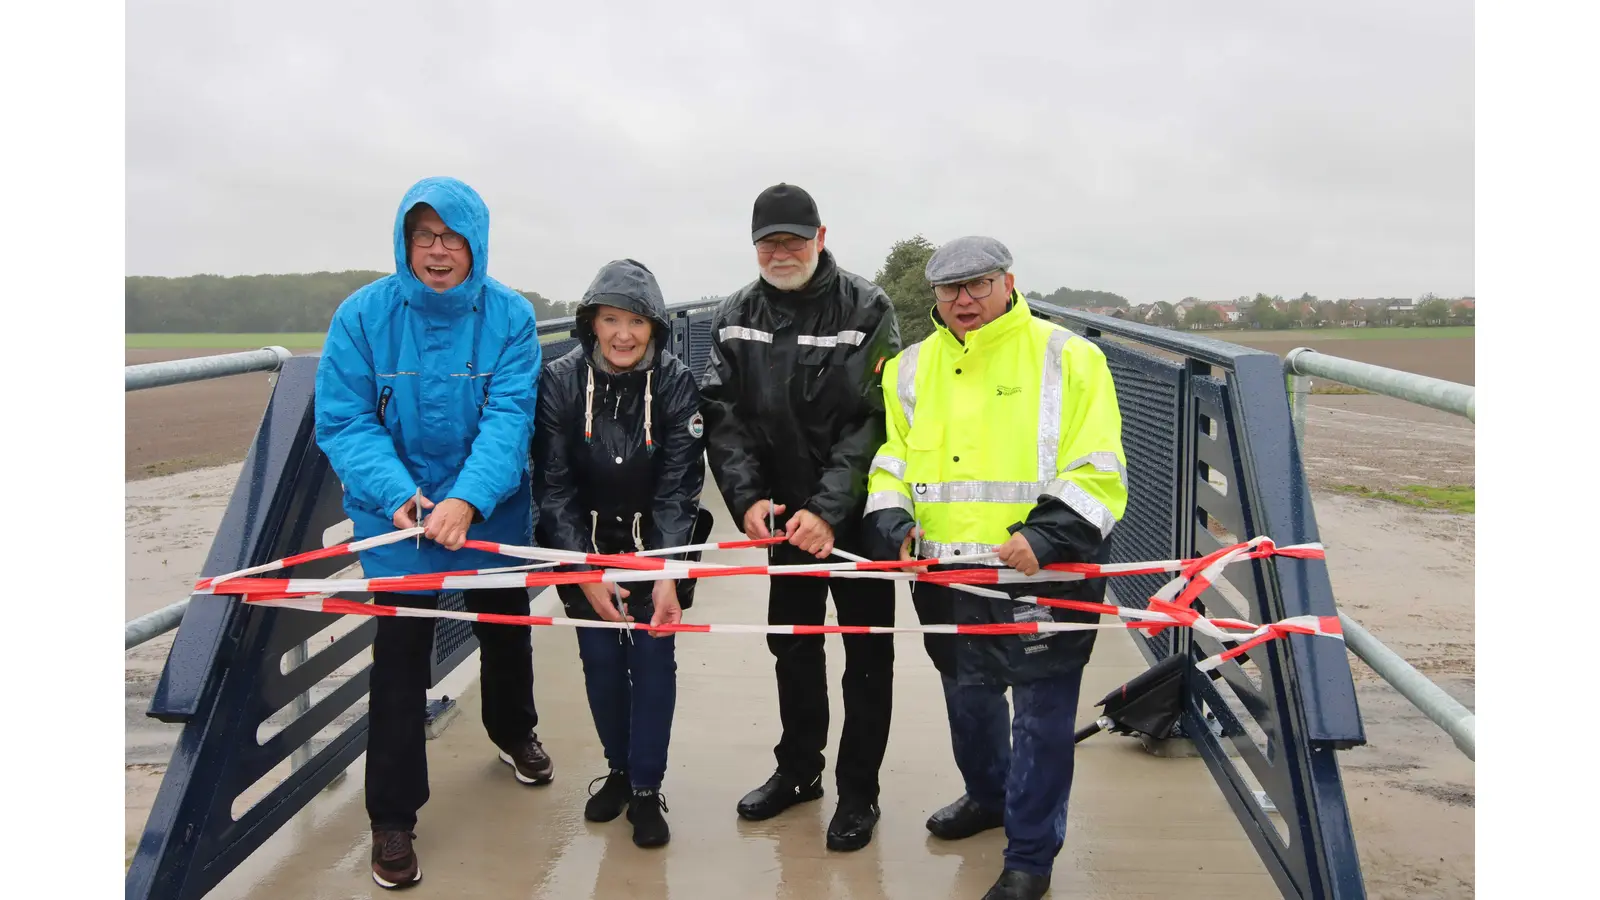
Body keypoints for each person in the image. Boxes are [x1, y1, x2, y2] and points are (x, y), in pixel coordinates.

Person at [863, 236, 1128, 900]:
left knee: (1040, 718)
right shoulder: (909, 369)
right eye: (950, 290)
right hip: (949, 577)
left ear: (1009, 282)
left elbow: (1099, 469)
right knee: (969, 702)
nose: (964, 301)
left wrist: (1047, 534)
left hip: (1043, 573)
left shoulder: (1070, 356)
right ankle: (987, 797)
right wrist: (892, 524)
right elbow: (893, 459)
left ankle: (1030, 859)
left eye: (978, 285)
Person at [314, 176, 551, 890]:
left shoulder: (510, 317)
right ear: (404, 242)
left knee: (507, 626)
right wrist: (403, 500)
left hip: (491, 507)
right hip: (399, 513)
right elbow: (345, 419)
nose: (438, 251)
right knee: (400, 654)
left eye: (451, 237)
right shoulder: (361, 317)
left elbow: (511, 418)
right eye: (425, 237)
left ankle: (513, 732)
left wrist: (470, 501)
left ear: (475, 243)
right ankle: (392, 817)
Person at [699, 183, 902, 852]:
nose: (780, 252)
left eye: (793, 238)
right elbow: (723, 420)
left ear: (821, 236)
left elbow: (876, 418)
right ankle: (798, 770)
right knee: (792, 643)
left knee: (867, 654)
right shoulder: (734, 314)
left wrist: (828, 509)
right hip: (782, 518)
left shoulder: (868, 306)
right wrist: (748, 500)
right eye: (768, 241)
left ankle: (859, 792)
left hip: (858, 514)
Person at [533, 259, 710, 849]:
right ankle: (616, 769)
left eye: (637, 320)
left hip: (658, 545)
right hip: (583, 546)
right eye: (611, 320)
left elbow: (680, 486)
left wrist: (667, 575)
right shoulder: (558, 380)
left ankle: (645, 788)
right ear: (592, 324)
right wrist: (582, 571)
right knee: (601, 663)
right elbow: (552, 488)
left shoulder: (679, 382)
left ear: (656, 325)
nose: (624, 334)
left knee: (654, 664)